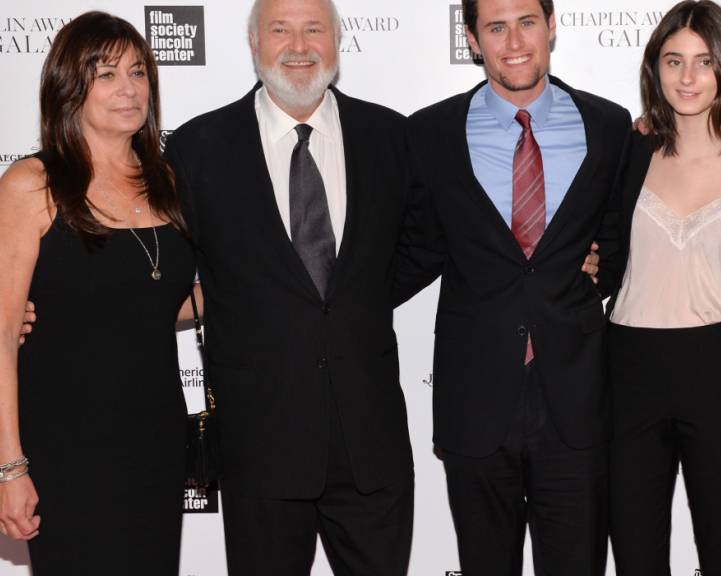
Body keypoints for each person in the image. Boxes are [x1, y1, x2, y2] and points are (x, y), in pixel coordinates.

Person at [162, 0, 414, 573]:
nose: (298, 47)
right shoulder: (198, 149)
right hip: (260, 445)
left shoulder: (390, 137)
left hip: (372, 445)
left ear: (337, 42)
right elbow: (163, 271)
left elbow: (426, 241)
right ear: (254, 44)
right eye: (280, 29)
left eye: (313, 29)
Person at [393, 0, 630, 573]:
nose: (514, 40)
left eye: (527, 21)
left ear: (552, 26)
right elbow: (412, 248)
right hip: (475, 401)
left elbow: (624, 240)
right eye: (495, 27)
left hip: (576, 400)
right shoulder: (428, 133)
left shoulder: (609, 125)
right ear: (473, 39)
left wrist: (604, 263)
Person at [601, 2, 721, 574]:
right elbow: (601, 245)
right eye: (673, 61)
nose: (687, 78)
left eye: (704, 61)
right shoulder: (628, 149)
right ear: (654, 70)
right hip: (628, 365)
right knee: (635, 553)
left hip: (719, 366)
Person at [0, 11, 194, 574]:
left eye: (138, 71)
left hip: (154, 435)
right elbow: (5, 331)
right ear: (69, 86)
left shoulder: (170, 181)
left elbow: (157, 300)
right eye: (106, 74)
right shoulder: (33, 184)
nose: (129, 89)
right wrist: (10, 466)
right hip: (65, 441)